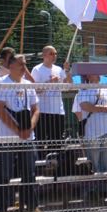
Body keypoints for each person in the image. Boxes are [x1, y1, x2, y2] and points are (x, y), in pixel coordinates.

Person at [0, 54, 42, 212]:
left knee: (29, 173)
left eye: (25, 64)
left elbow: (36, 109)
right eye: (21, 64)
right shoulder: (1, 83)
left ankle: (33, 207)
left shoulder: (28, 84)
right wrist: (17, 130)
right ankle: (1, 210)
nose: (23, 67)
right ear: (10, 65)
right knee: (4, 174)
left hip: (28, 137)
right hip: (7, 138)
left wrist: (29, 128)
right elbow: (0, 110)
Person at [73, 72, 107, 200]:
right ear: (87, 76)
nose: (98, 74)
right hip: (91, 132)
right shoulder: (83, 89)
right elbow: (84, 106)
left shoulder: (106, 88)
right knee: (94, 163)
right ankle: (95, 191)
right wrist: (102, 109)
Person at [30, 46, 72, 175]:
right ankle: (40, 170)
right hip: (42, 112)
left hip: (57, 111)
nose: (54, 55)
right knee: (41, 141)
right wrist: (49, 82)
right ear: (44, 55)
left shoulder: (59, 69)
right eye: (51, 53)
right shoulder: (37, 69)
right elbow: (33, 90)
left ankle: (57, 172)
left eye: (55, 53)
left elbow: (68, 87)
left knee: (57, 142)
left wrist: (67, 71)